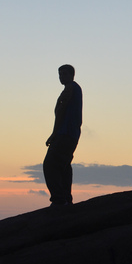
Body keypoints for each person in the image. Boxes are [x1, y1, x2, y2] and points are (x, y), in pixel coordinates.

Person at [44, 64, 82, 206]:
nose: (61, 77)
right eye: (60, 74)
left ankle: (59, 199)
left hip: (65, 134)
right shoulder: (73, 89)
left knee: (50, 165)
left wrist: (54, 133)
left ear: (72, 75)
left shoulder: (71, 88)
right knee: (64, 167)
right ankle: (65, 198)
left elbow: (61, 112)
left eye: (64, 74)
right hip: (72, 135)